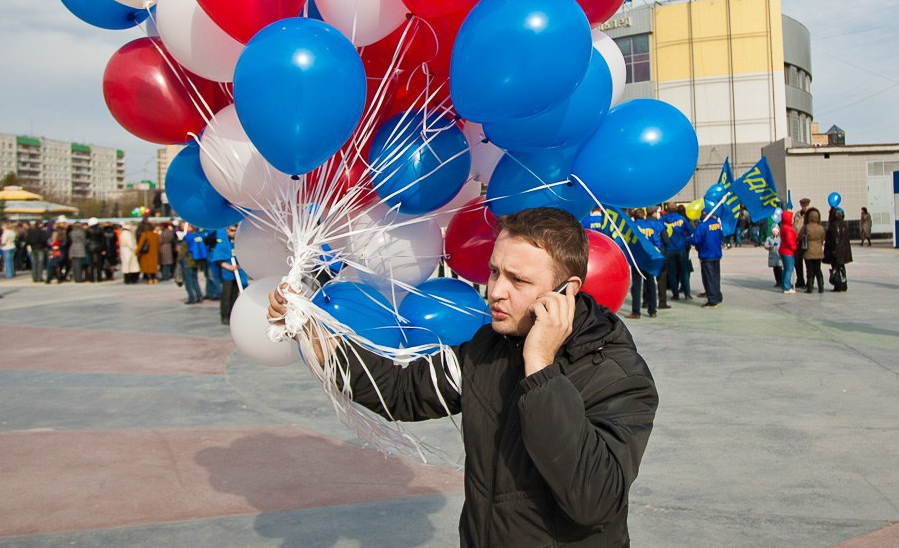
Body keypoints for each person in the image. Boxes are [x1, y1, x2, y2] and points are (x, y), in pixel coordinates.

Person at [267, 207, 658, 548]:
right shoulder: (488, 348)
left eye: (518, 280)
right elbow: (403, 390)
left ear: (566, 291)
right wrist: (315, 333)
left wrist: (540, 366)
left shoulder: (617, 373)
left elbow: (594, 499)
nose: (495, 291)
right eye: (493, 271)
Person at [627, 209, 658, 319]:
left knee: (636, 286)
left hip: (637, 260)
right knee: (651, 284)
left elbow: (629, 243)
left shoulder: (632, 227)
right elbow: (657, 241)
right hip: (649, 259)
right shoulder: (651, 225)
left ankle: (636, 312)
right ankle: (652, 310)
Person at [689, 208, 723, 308]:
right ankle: (717, 296)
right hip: (716, 254)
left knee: (708, 278)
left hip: (706, 254)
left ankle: (712, 300)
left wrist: (688, 239)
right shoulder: (717, 224)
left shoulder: (702, 226)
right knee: (716, 277)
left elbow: (696, 240)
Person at [661, 204, 691, 301]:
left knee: (672, 273)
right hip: (681, 248)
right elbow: (691, 231)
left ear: (667, 210)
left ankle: (675, 294)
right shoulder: (682, 219)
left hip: (669, 249)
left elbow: (658, 230)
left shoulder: (664, 219)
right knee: (684, 272)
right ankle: (687, 293)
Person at [823, 208, 853, 292]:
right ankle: (843, 284)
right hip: (843, 251)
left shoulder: (834, 225)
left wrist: (835, 251)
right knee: (841, 267)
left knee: (836, 267)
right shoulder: (843, 224)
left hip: (837, 251)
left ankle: (838, 284)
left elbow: (836, 239)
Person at [801, 208, 826, 293]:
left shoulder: (806, 227)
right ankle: (821, 286)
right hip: (818, 251)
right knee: (818, 269)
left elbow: (800, 237)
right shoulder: (821, 228)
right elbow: (823, 239)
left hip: (808, 251)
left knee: (810, 270)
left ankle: (810, 287)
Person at [793, 198, 811, 290]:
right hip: (797, 242)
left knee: (808, 263)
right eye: (803, 206)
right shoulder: (797, 214)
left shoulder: (811, 215)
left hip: (807, 241)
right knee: (797, 262)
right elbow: (794, 226)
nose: (804, 207)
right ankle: (800, 280)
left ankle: (809, 282)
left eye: (806, 205)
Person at [779, 211, 797, 294]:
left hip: (783, 250)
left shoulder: (783, 227)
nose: (792, 220)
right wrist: (794, 247)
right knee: (789, 269)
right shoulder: (788, 229)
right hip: (788, 251)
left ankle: (784, 284)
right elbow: (790, 241)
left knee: (786, 269)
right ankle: (787, 287)